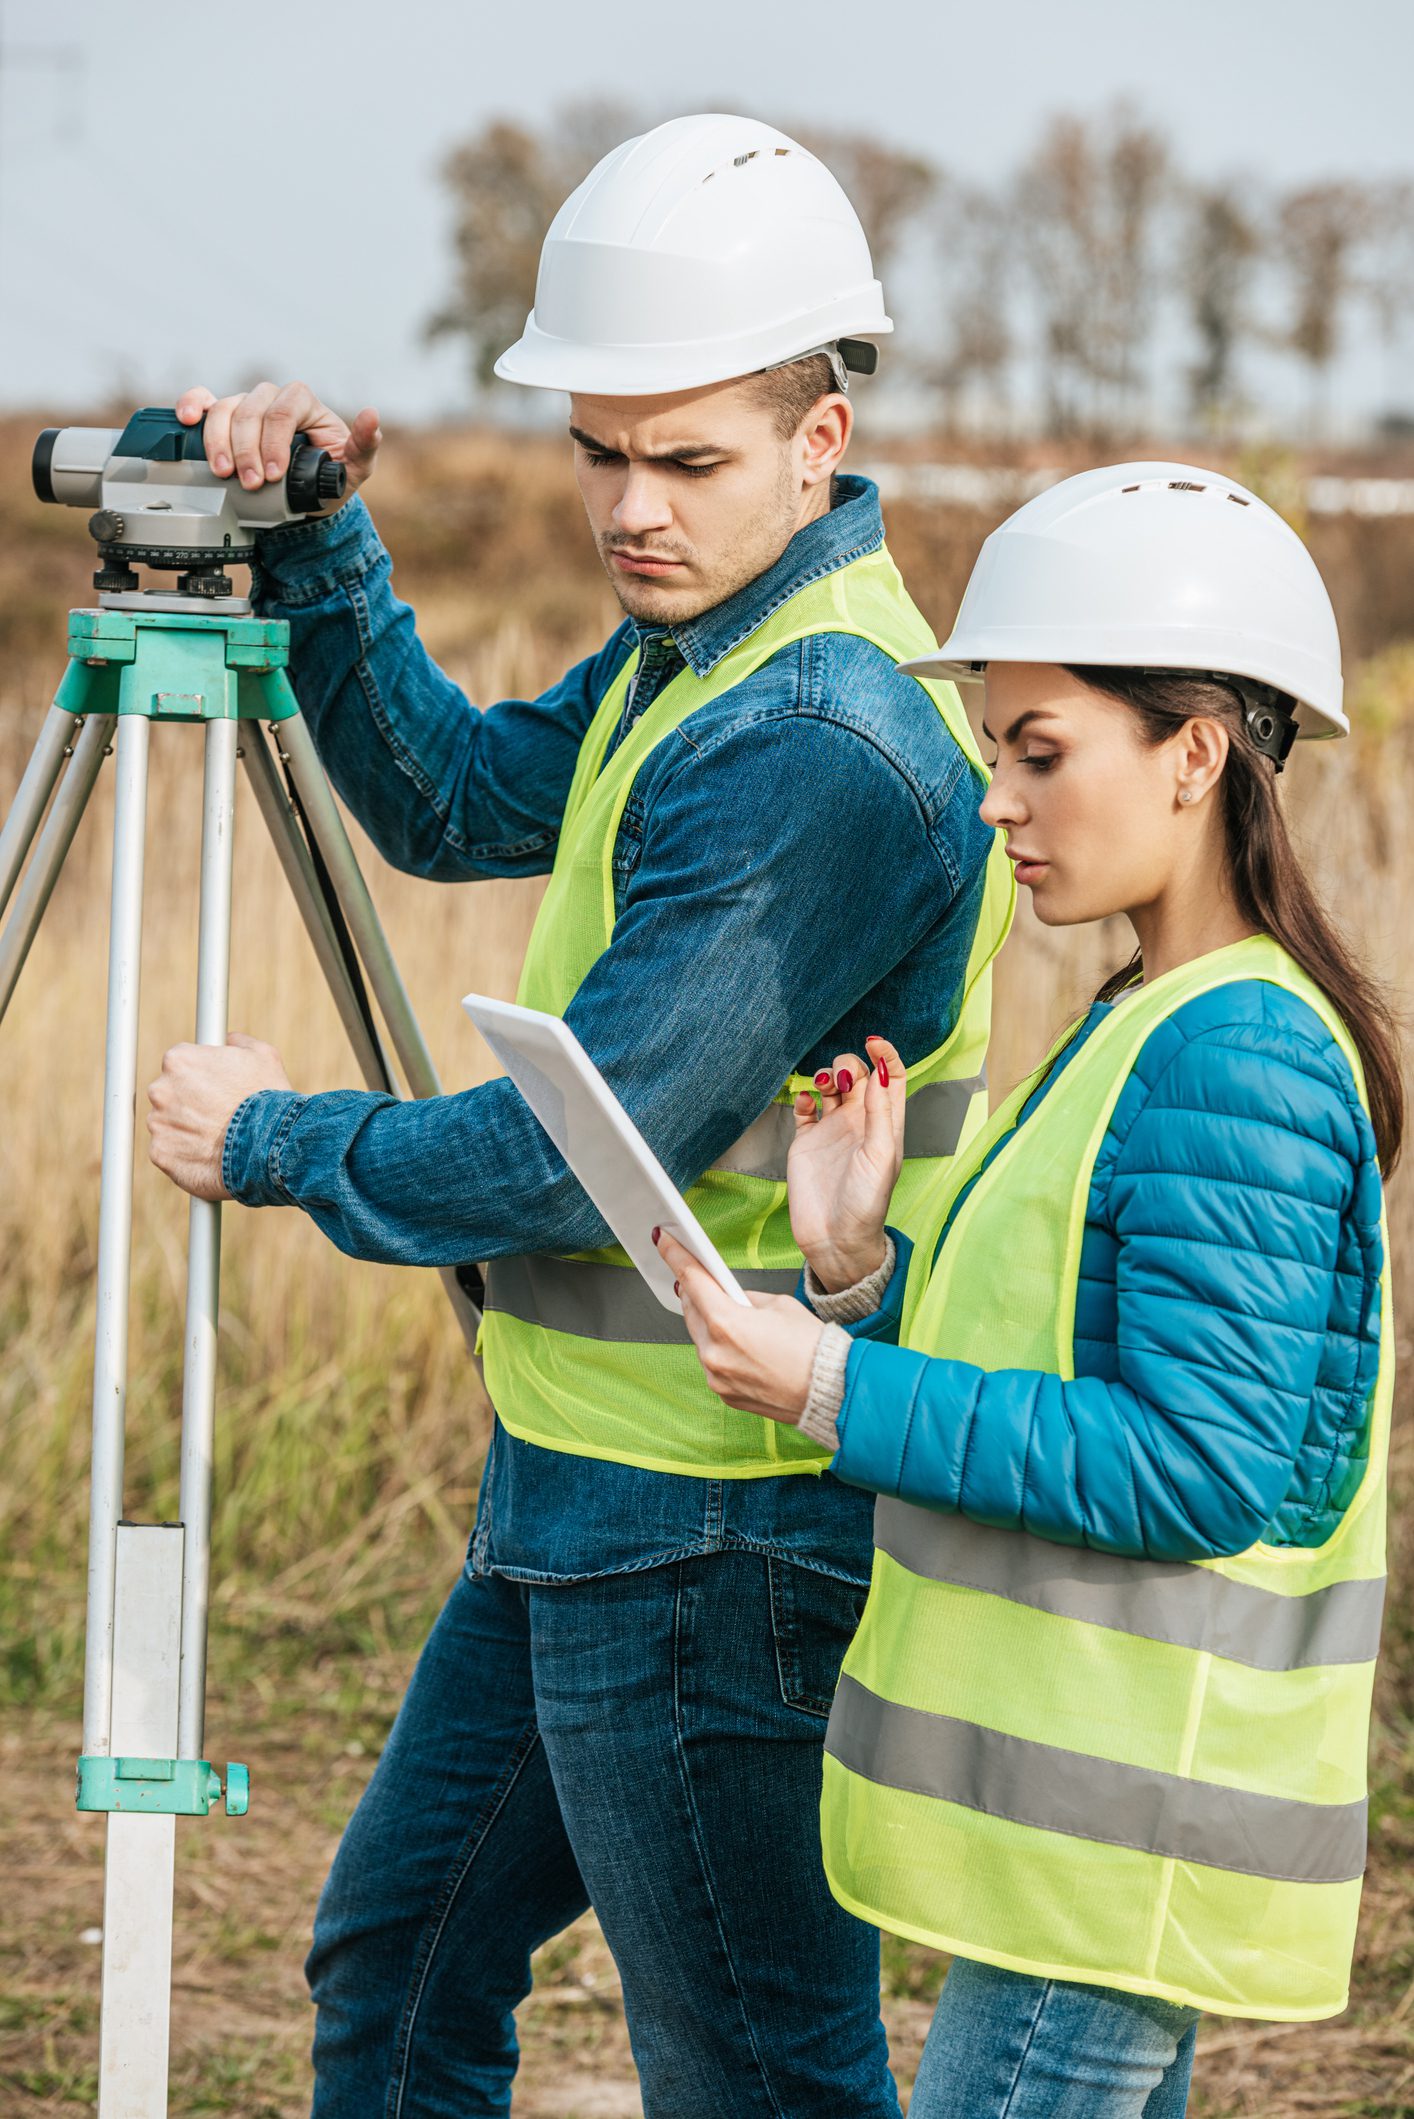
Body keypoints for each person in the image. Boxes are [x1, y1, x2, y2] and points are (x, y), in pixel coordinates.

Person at [145, 115, 1013, 2117]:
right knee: (396, 1969)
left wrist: (287, 1140)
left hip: (716, 1527)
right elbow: (450, 799)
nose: (629, 505)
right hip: (574, 1490)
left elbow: (563, 1154)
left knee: (753, 2073)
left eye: (685, 459)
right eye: (599, 450)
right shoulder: (685, 659)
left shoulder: (814, 741)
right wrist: (316, 538)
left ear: (818, 437)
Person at [658, 461, 1399, 2119]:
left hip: (1110, 1859)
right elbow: (1054, 1359)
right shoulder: (1157, 1016)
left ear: (1194, 753)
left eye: (1038, 752)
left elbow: (1191, 1465)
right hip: (1076, 1853)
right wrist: (855, 1273)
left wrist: (824, 1391)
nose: (996, 800)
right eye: (997, 752)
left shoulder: (1241, 1053)